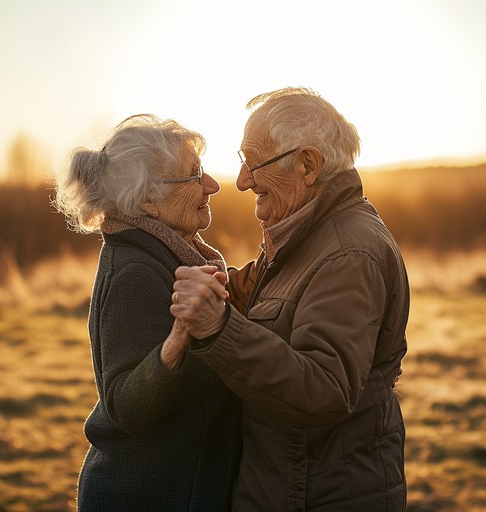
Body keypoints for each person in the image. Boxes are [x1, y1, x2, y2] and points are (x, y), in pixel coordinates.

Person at [170, 87, 410, 511]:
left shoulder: (347, 253)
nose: (243, 181)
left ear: (308, 165)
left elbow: (326, 388)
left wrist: (219, 329)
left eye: (253, 162)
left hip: (320, 496)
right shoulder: (302, 237)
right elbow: (260, 296)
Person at [53, 114, 242, 511]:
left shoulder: (170, 255)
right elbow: (123, 405)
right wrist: (177, 341)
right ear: (146, 201)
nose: (212, 186)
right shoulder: (135, 271)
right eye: (193, 176)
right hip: (142, 498)